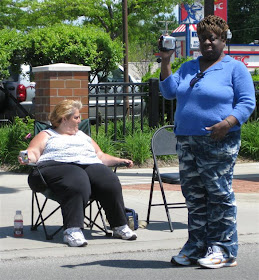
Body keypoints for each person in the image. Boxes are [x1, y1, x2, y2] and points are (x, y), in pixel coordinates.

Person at [159, 15, 255, 269]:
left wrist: (228, 122)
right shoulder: (189, 67)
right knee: (194, 197)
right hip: (187, 141)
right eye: (203, 39)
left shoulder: (235, 68)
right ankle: (197, 246)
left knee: (219, 195)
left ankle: (223, 249)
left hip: (219, 140)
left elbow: (247, 102)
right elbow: (168, 92)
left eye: (212, 38)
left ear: (223, 39)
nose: (207, 43)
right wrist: (166, 61)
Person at [18, 99, 137, 247]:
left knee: (109, 180)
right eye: (76, 117)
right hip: (56, 166)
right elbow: (33, 151)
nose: (80, 120)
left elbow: (100, 156)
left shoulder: (82, 135)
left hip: (88, 164)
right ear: (64, 119)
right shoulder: (47, 134)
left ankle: (119, 225)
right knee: (78, 179)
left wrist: (119, 160)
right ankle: (72, 230)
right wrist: (26, 157)